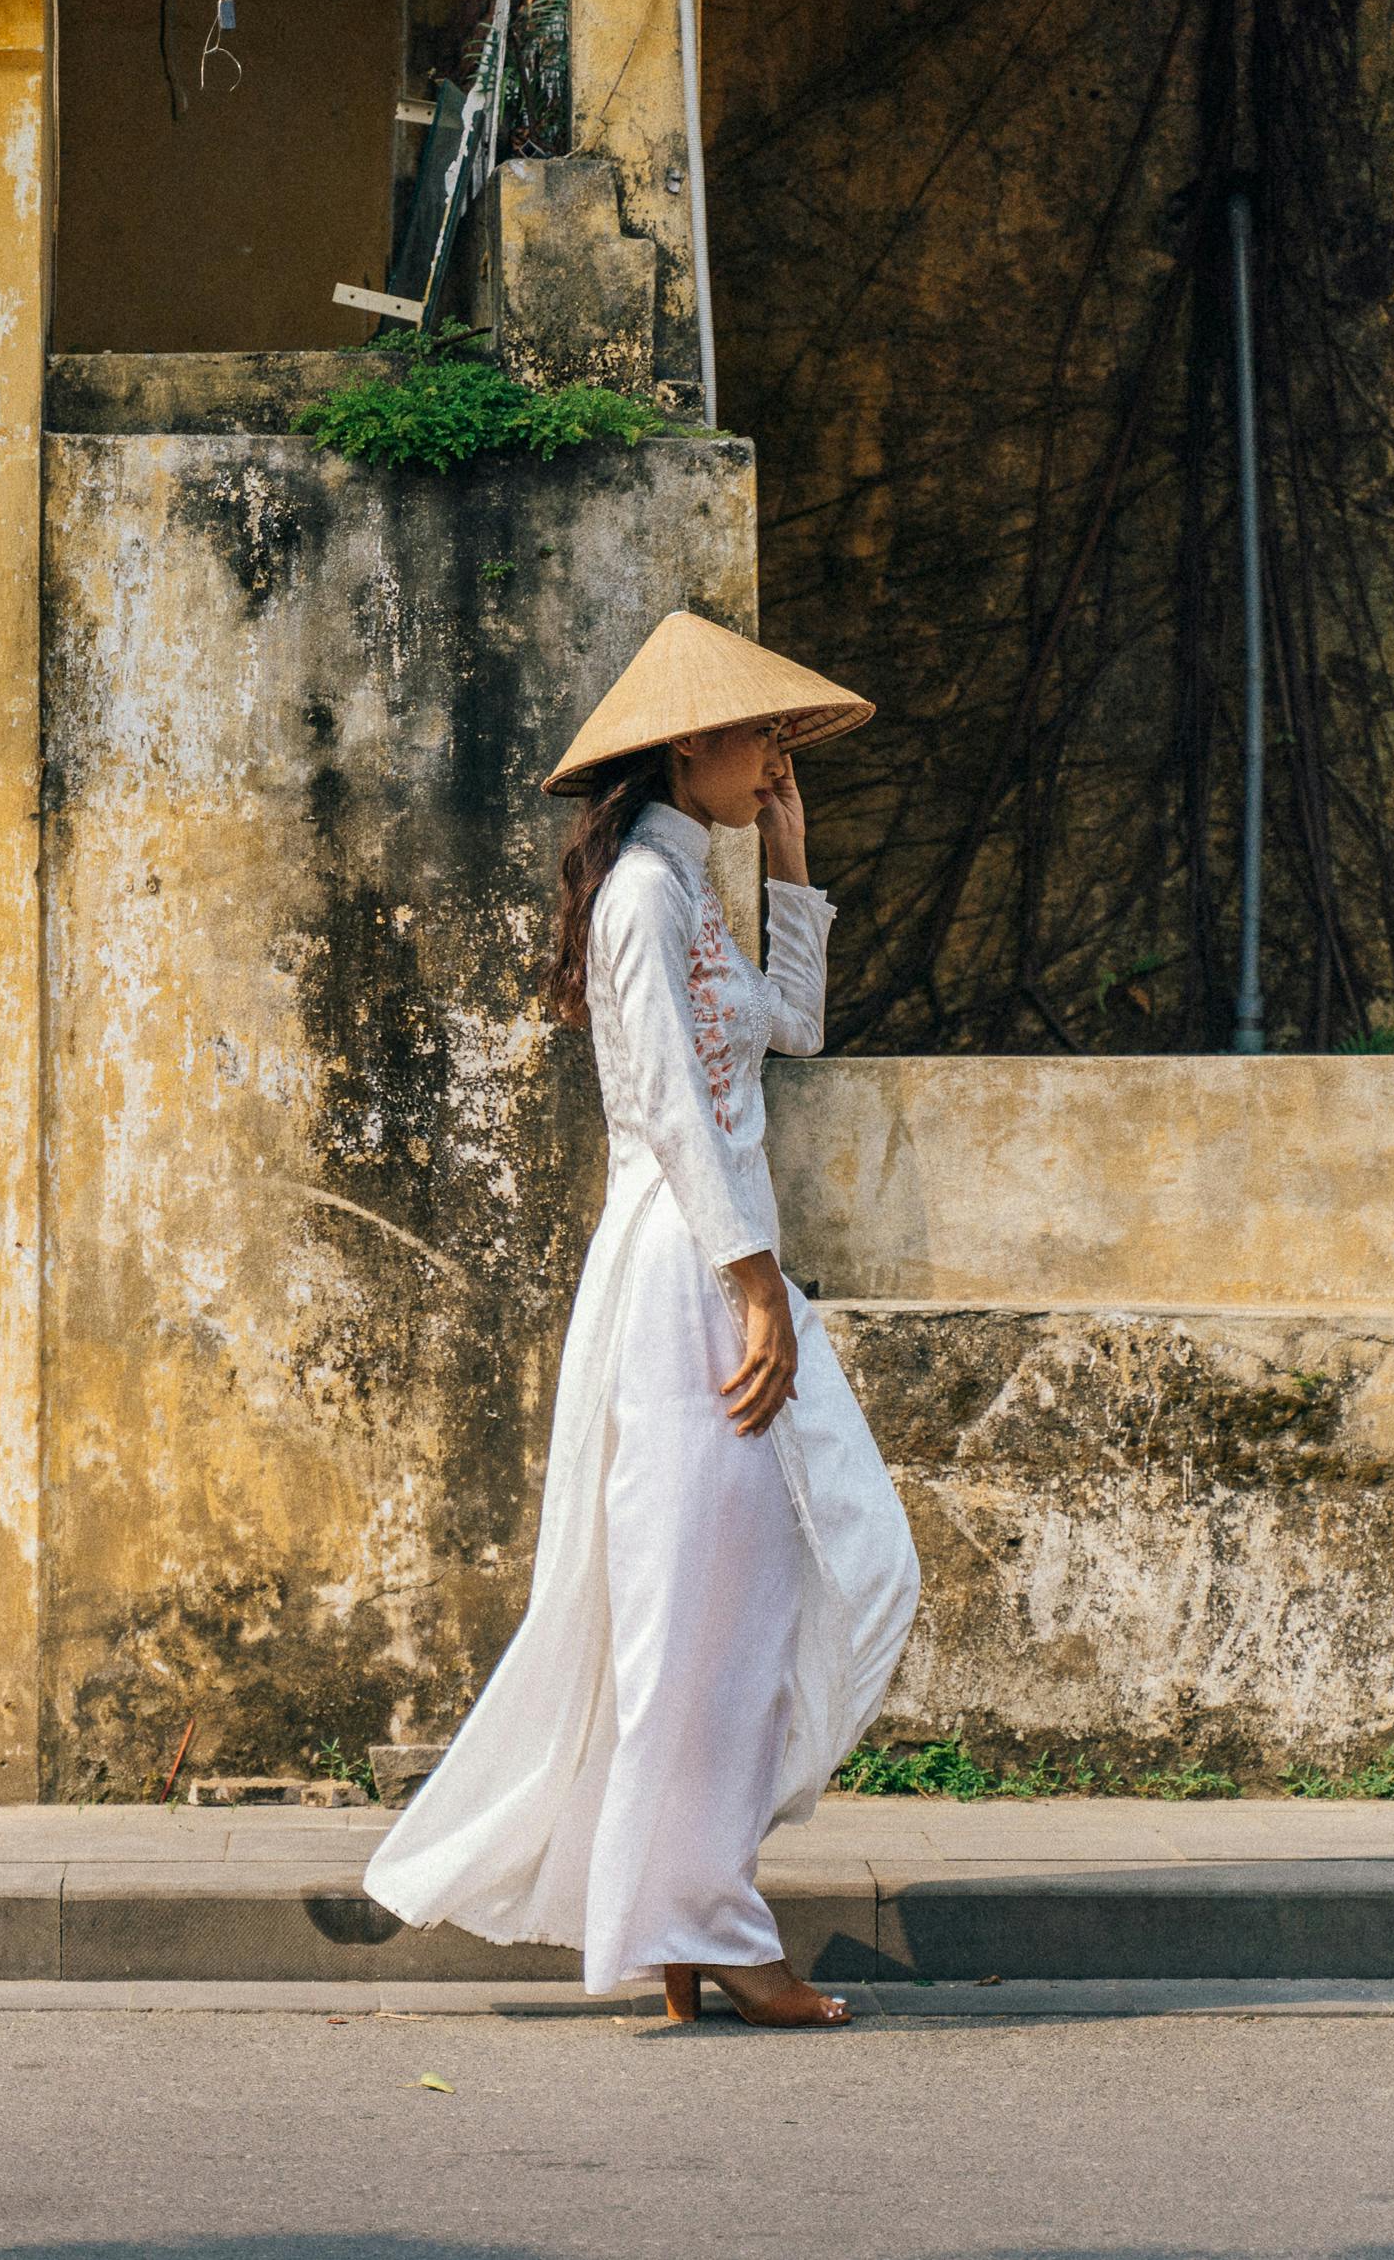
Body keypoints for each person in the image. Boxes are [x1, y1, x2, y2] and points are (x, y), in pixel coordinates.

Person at [361, 611, 920, 2029]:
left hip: (721, 1262)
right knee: (696, 1610)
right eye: (761, 736)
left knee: (769, 1587)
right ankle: (709, 1928)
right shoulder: (639, 902)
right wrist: (748, 1283)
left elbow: (790, 1025)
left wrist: (791, 855)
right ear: (691, 741)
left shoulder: (692, 885)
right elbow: (671, 1104)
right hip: (687, 1271)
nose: (776, 754)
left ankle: (690, 1912)